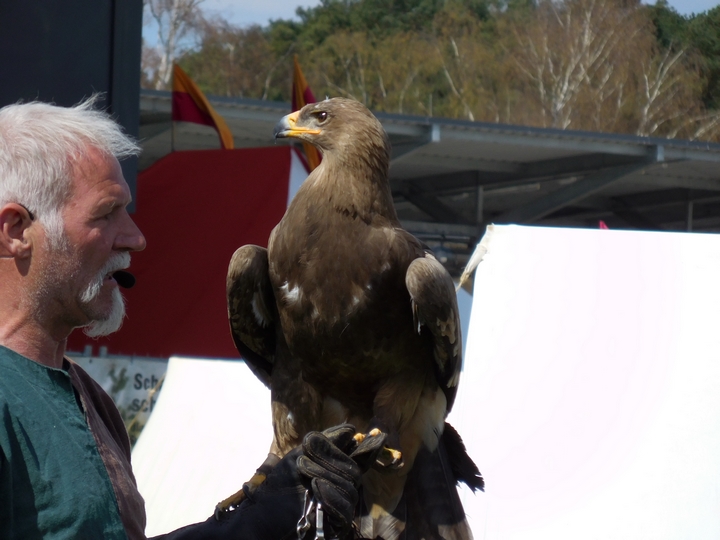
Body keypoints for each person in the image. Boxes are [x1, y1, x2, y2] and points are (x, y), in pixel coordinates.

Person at [0, 97, 383, 540]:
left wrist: (255, 523)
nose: (136, 238)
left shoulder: (88, 398)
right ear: (16, 231)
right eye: (106, 214)